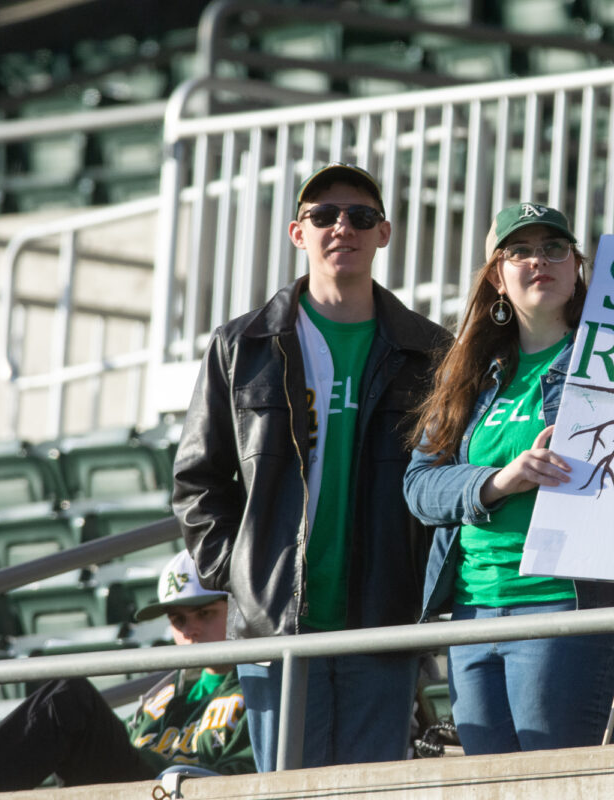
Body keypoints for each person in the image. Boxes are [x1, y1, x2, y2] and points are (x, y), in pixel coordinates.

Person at [172, 162, 450, 771]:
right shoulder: (240, 346)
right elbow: (197, 482)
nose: (341, 227)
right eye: (323, 215)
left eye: (361, 216)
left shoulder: (431, 352)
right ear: (299, 233)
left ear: (385, 233)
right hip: (276, 626)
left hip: (383, 619)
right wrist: (238, 568)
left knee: (369, 787)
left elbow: (446, 479)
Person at [403, 202, 614, 755]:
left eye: (554, 248)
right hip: (473, 614)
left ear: (577, 267)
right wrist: (499, 481)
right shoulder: (469, 373)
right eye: (518, 251)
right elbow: (420, 487)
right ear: (497, 277)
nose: (538, 261)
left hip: (567, 610)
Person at [0, 549, 252, 794]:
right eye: (178, 620)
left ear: (237, 607)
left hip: (176, 791)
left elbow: (248, 777)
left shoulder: (262, 686)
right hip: (135, 789)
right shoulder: (168, 690)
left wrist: (172, 775)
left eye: (205, 613)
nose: (190, 630)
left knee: (70, 700)